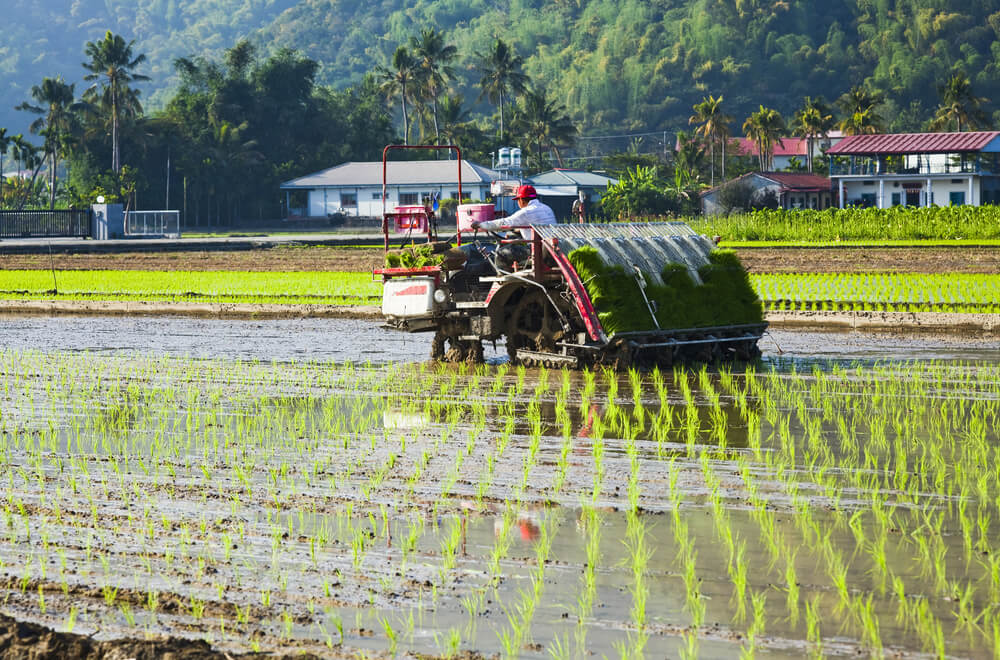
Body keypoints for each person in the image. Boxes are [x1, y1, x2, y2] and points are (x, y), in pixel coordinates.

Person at [470, 184, 556, 238]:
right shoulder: (547, 208)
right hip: (551, 245)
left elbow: (503, 222)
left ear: (521, 200)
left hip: (538, 249)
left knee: (504, 254)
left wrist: (480, 224)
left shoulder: (525, 212)